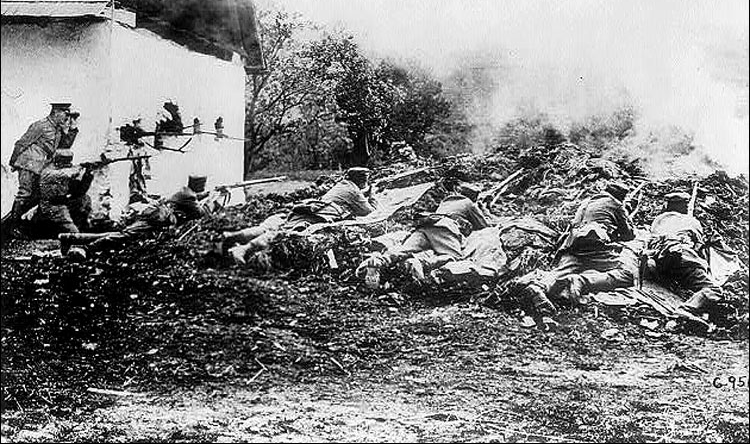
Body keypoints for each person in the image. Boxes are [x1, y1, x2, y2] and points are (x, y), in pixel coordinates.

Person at [514, 181, 638, 315]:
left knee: (561, 272)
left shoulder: (587, 202)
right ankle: (581, 280)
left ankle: (538, 286)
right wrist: (624, 214)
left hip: (571, 244)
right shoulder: (616, 205)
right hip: (594, 245)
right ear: (621, 197)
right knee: (627, 275)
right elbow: (629, 235)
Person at [222, 167, 378, 263]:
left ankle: (234, 236)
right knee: (282, 233)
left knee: (275, 227)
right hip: (319, 214)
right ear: (363, 181)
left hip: (310, 208)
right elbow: (370, 212)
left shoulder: (343, 184)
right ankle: (242, 250)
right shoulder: (354, 191)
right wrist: (372, 195)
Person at [355, 182, 490, 288]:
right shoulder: (469, 203)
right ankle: (421, 263)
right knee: (456, 259)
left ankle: (380, 260)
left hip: (426, 225)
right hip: (445, 229)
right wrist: (482, 208)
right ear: (473, 197)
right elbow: (485, 227)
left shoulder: (446, 201)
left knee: (405, 249)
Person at [58, 176, 209, 254]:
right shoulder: (189, 196)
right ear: (199, 185)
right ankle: (86, 250)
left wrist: (203, 196)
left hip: (154, 216)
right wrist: (211, 198)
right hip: (157, 219)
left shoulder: (184, 191)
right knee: (125, 236)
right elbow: (200, 213)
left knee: (121, 234)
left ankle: (71, 238)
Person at [3, 103, 73, 238]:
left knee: (36, 196)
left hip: (40, 168)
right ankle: (13, 227)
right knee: (25, 194)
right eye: (65, 113)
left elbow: (63, 145)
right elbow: (21, 142)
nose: (66, 117)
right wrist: (13, 161)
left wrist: (72, 130)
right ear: (56, 112)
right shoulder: (40, 125)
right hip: (28, 165)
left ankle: (20, 225)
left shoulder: (57, 130)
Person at [647, 192, 722, 317]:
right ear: (681, 207)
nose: (687, 207)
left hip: (658, 254)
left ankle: (657, 269)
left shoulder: (659, 219)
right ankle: (687, 309)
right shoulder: (691, 221)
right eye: (685, 205)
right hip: (681, 256)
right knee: (714, 289)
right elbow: (698, 246)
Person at [36, 149, 95, 235]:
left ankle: (83, 226)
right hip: (51, 206)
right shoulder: (48, 172)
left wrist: (88, 174)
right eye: (65, 162)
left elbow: (79, 191)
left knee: (84, 199)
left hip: (63, 203)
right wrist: (80, 167)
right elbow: (68, 173)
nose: (68, 164)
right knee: (73, 232)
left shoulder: (65, 171)